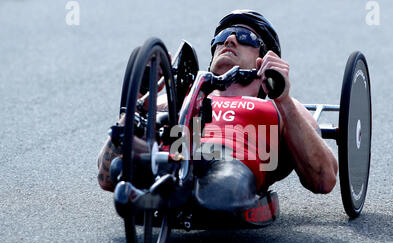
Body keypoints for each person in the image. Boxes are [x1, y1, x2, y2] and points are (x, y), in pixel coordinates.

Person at [97, 10, 338, 223]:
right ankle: (165, 192)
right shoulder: (176, 100)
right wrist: (139, 101)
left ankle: (163, 196)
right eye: (221, 38)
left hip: (231, 165)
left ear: (264, 58)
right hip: (175, 155)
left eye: (245, 38)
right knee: (121, 167)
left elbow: (323, 178)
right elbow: (105, 176)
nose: (229, 40)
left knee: (225, 188)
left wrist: (283, 99)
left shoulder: (283, 107)